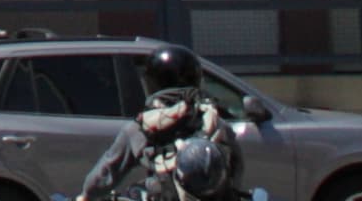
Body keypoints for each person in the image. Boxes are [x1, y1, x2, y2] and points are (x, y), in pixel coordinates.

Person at [83, 46, 255, 201]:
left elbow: (103, 176)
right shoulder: (213, 120)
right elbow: (236, 168)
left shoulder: (142, 127)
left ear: (151, 82)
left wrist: (86, 196)